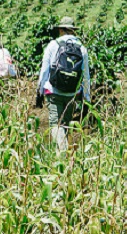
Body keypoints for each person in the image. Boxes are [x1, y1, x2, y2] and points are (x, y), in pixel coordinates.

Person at [37, 17, 91, 152]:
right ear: (73, 30)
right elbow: (85, 76)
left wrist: (39, 91)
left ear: (61, 30)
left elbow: (45, 70)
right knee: (65, 125)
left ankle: (62, 154)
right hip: (72, 93)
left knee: (55, 125)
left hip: (53, 91)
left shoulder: (53, 45)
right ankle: (65, 156)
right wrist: (86, 97)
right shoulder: (82, 49)